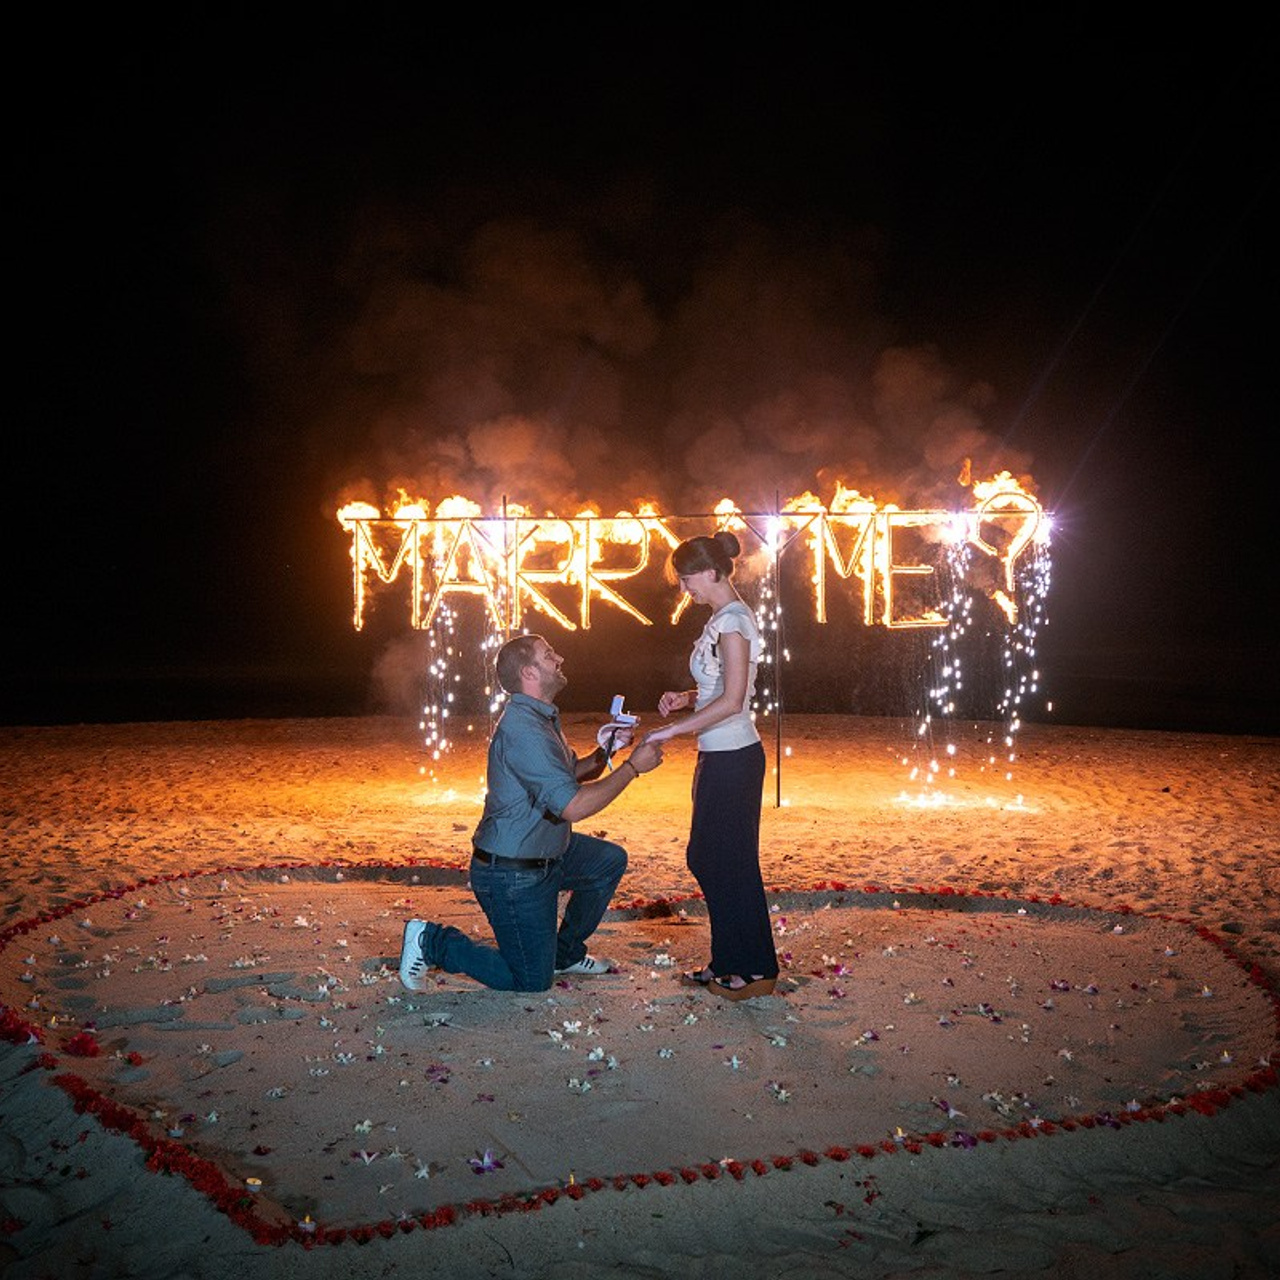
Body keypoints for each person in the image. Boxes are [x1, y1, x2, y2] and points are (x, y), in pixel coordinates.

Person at [399, 633, 664, 993]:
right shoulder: (525, 730)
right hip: (511, 874)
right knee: (529, 980)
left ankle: (565, 953)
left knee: (607, 861)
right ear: (529, 673)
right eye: (549, 655)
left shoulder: (541, 717)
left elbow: (569, 775)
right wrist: (633, 768)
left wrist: (606, 752)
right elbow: (573, 806)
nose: (560, 659)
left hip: (548, 855)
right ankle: (431, 941)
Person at [646, 531, 778, 1001]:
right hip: (718, 756)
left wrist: (671, 731)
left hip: (735, 756)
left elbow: (734, 699)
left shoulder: (734, 621)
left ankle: (754, 967)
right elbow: (717, 690)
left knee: (726, 860)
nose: (685, 590)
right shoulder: (722, 620)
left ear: (710, 572)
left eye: (687, 580)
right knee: (709, 856)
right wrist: (683, 699)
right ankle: (731, 961)